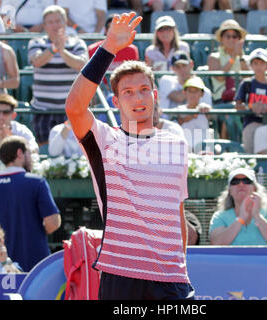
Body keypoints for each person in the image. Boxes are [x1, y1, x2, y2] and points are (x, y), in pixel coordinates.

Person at [65, 12, 194, 300]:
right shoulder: (104, 140)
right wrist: (109, 48)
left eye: (144, 90)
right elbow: (74, 107)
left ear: (155, 95)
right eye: (128, 92)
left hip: (173, 279)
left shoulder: (177, 143)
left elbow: (177, 213)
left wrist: (181, 267)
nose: (138, 98)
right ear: (116, 100)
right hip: (122, 277)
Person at [0, 135, 61, 272]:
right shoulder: (37, 182)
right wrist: (34, 231)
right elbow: (53, 223)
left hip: (0, 269)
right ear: (20, 153)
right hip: (35, 266)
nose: (31, 158)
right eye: (29, 153)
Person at [28, 5, 89, 146]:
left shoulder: (77, 43)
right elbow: (37, 61)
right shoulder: (35, 43)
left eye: (58, 21)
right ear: (44, 25)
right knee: (44, 149)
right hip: (43, 109)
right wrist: (54, 48)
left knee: (75, 150)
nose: (54, 25)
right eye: (50, 22)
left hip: (70, 110)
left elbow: (81, 64)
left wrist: (62, 51)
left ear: (65, 22)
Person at [209, 166, 267, 246]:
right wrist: (241, 218)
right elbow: (216, 244)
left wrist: (257, 216)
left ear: (254, 189)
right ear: (229, 190)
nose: (241, 184)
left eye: (246, 181)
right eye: (235, 182)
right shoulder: (220, 216)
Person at [235, 48, 267, 154]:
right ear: (251, 65)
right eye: (255, 63)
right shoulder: (246, 83)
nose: (258, 66)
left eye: (262, 63)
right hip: (251, 123)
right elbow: (238, 104)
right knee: (250, 154)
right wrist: (251, 106)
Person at [207, 19, 248, 104]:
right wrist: (233, 57)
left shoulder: (245, 58)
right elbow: (220, 78)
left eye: (234, 36)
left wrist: (240, 57)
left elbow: (248, 77)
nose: (231, 39)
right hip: (221, 100)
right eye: (228, 36)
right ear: (221, 38)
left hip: (242, 100)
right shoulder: (214, 57)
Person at [174, 76, 212, 153]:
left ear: (202, 94)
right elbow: (181, 120)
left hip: (203, 149)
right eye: (190, 91)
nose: (193, 94)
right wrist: (195, 113)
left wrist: (206, 108)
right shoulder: (179, 109)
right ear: (185, 92)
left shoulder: (205, 108)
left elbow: (211, 115)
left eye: (196, 91)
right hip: (184, 150)